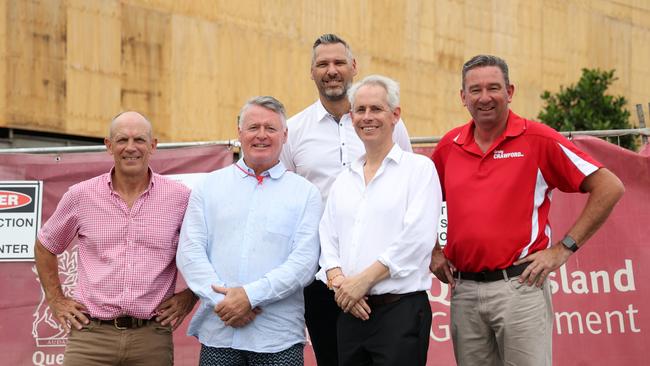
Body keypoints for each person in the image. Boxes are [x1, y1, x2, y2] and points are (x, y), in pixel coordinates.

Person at [429, 55, 625, 366]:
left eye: (493, 88)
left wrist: (563, 249)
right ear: (463, 97)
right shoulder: (449, 146)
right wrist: (433, 250)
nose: (484, 97)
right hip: (464, 292)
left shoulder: (537, 139)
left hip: (520, 287)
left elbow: (610, 186)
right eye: (475, 90)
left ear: (510, 91)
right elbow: (420, 202)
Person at [279, 33, 413, 366]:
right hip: (321, 279)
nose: (332, 70)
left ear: (354, 67)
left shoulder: (387, 125)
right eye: (323, 64)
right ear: (311, 72)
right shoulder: (292, 131)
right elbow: (284, 201)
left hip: (384, 274)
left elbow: (408, 186)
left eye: (339, 62)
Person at [34, 111, 197, 366]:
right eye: (122, 140)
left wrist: (190, 295)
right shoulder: (81, 196)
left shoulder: (180, 198)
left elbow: (208, 249)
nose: (130, 148)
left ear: (153, 146)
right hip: (90, 337)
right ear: (109, 146)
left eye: (139, 140)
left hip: (151, 338)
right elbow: (46, 246)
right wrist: (56, 300)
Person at [177, 96, 322, 366]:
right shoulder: (208, 187)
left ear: (285, 135)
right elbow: (190, 252)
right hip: (219, 331)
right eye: (254, 127)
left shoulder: (306, 194)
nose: (261, 136)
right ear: (239, 133)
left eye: (271, 128)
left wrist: (249, 296)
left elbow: (304, 264)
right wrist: (225, 302)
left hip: (277, 338)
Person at [319, 75, 442, 366]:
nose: (367, 117)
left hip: (399, 313)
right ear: (351, 118)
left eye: (376, 109)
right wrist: (340, 284)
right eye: (360, 110)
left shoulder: (419, 170)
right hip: (350, 312)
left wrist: (362, 282)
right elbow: (327, 239)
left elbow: (417, 239)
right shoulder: (344, 179)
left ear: (395, 115)